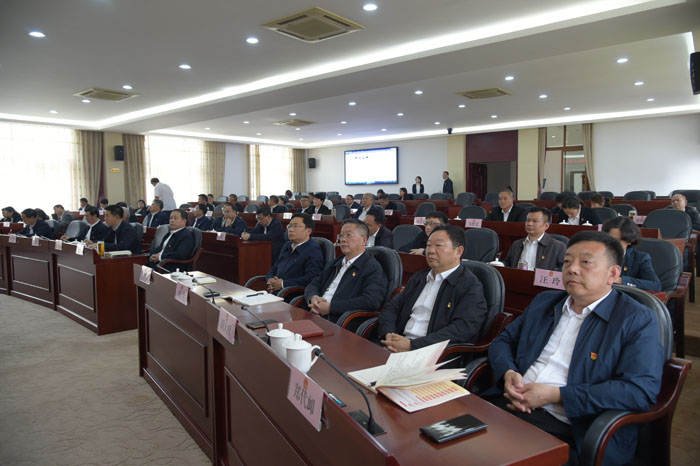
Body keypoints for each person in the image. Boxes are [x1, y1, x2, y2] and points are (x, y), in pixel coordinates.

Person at [486, 231, 664, 466]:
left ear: (613, 273)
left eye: (586, 262)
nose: (572, 269)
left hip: (571, 429)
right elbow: (504, 341)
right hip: (508, 405)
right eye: (567, 262)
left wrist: (557, 395)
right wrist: (508, 372)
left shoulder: (636, 319)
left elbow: (639, 391)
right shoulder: (545, 302)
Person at [379, 225, 488, 351]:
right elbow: (392, 307)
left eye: (438, 245)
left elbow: (464, 328)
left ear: (458, 251)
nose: (430, 251)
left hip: (433, 352)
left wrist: (412, 345)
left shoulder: (470, 285)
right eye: (428, 245)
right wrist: (389, 334)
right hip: (398, 344)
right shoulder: (419, 277)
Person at [304, 219, 387, 323]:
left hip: (339, 322)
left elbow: (371, 301)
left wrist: (331, 307)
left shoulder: (372, 268)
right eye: (341, 235)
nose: (342, 240)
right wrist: (313, 297)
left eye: (349, 235)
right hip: (314, 314)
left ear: (364, 240)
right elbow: (315, 283)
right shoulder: (336, 262)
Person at [265, 213, 324, 293]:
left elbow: (311, 278)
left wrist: (283, 284)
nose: (290, 230)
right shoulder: (287, 245)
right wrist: (270, 279)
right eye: (289, 226)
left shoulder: (313, 250)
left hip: (291, 294)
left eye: (295, 226)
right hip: (275, 291)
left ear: (308, 231)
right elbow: (275, 267)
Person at [602, 217, 662, 291]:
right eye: (609, 239)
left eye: (617, 241)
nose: (612, 243)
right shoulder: (597, 255)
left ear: (629, 241)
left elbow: (655, 285)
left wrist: (620, 280)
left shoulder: (640, 258)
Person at [502, 207, 566, 271]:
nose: (529, 224)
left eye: (535, 221)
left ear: (546, 226)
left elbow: (563, 269)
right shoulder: (516, 244)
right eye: (528, 220)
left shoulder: (558, 247)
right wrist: (501, 264)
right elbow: (508, 263)